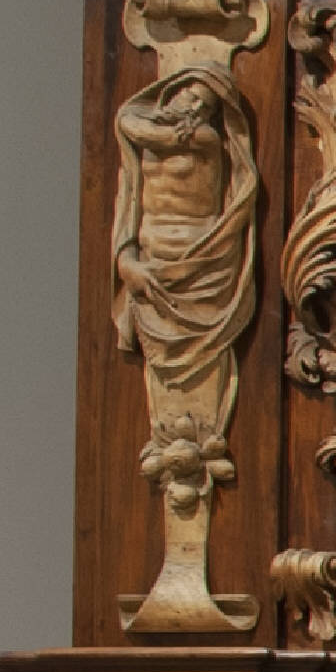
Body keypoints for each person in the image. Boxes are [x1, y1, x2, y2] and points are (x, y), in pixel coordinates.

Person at [112, 65, 257, 437]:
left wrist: (163, 119)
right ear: (170, 90)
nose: (193, 108)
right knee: (157, 362)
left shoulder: (205, 138)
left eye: (204, 105)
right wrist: (126, 260)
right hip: (152, 260)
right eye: (189, 97)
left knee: (206, 358)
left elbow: (145, 130)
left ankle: (204, 437)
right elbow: (128, 194)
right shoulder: (146, 132)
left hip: (200, 266)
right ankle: (169, 436)